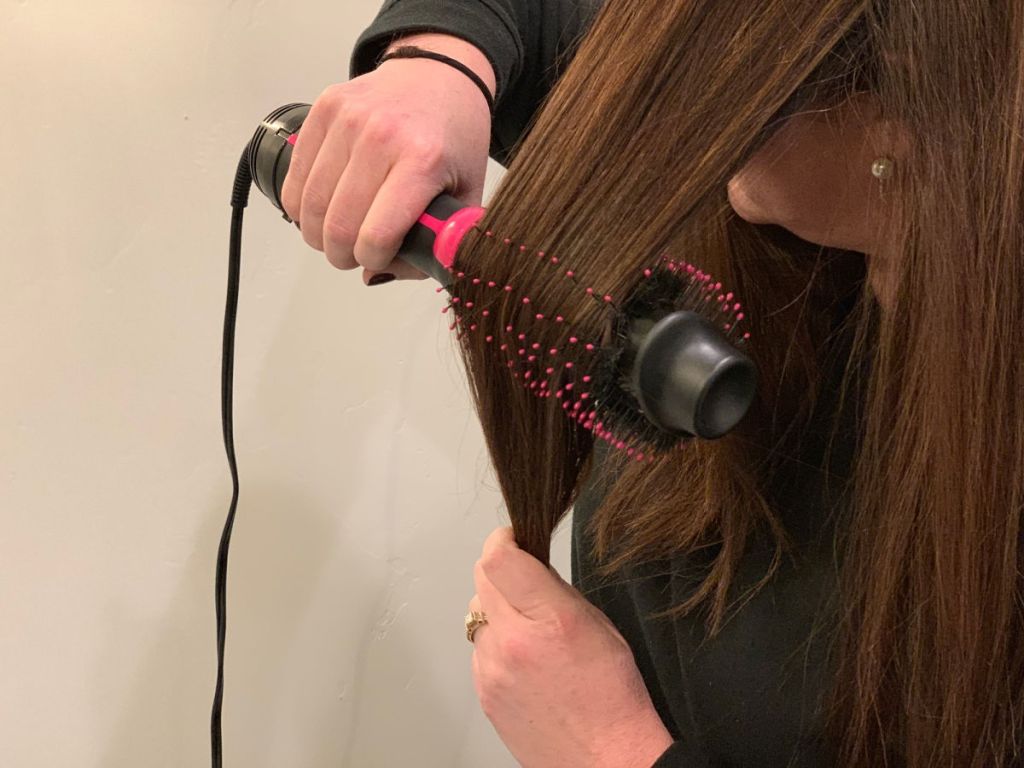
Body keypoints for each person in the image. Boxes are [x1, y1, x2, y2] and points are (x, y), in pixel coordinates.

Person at [282, 1, 1024, 766]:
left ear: (899, 119)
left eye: (725, 79)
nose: (684, 109)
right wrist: (439, 67)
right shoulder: (775, 228)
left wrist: (612, 750)